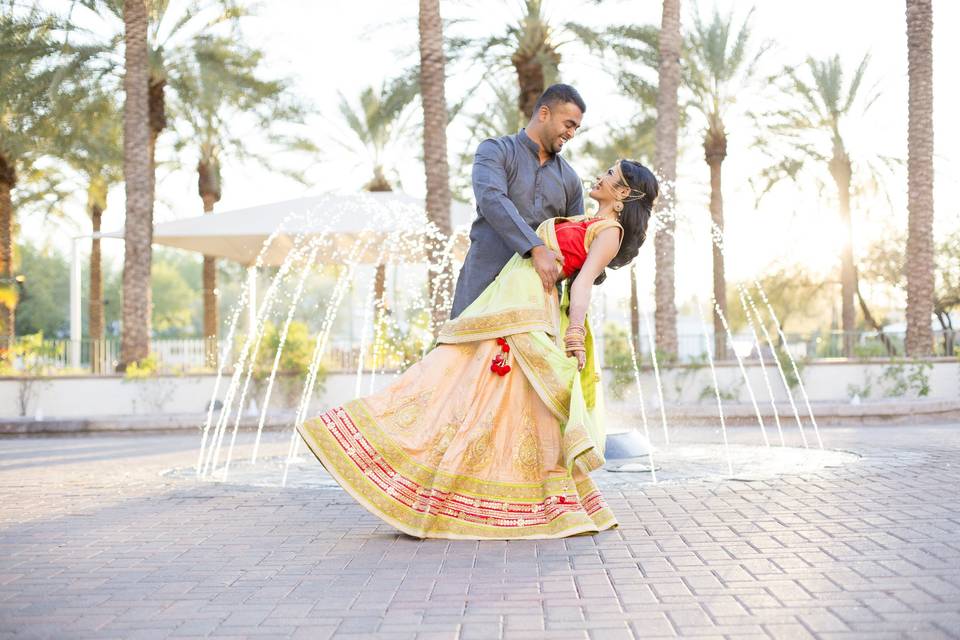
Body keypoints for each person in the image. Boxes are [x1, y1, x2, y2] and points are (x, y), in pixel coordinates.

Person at [297, 158, 659, 540]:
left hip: (528, 319)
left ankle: (493, 498)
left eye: (611, 176)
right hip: (501, 308)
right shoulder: (582, 220)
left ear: (623, 194)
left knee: (496, 403)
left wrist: (572, 336)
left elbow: (582, 284)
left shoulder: (609, 232)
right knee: (451, 378)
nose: (601, 176)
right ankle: (373, 446)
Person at [451, 83, 586, 319]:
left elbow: (576, 243)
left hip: (536, 303)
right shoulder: (495, 151)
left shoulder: (571, 180)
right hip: (481, 290)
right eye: (569, 124)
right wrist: (536, 247)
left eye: (576, 128)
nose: (572, 133)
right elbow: (492, 199)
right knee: (457, 356)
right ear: (544, 113)